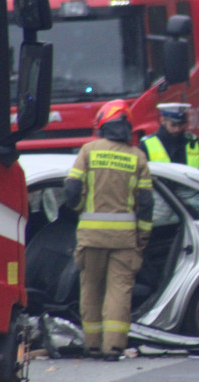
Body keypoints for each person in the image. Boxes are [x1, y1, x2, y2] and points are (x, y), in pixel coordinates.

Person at [64, 99, 154, 361]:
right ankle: (113, 347)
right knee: (119, 291)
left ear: (102, 124)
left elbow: (71, 190)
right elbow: (146, 203)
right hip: (125, 239)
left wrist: (81, 206)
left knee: (91, 289)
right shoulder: (137, 157)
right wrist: (143, 235)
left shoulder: (89, 151)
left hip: (91, 237)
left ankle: (92, 345)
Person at [141, 103, 199, 179]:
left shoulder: (193, 141)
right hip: (161, 190)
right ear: (163, 120)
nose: (177, 129)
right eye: (173, 125)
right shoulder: (147, 143)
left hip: (191, 189)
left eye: (180, 125)